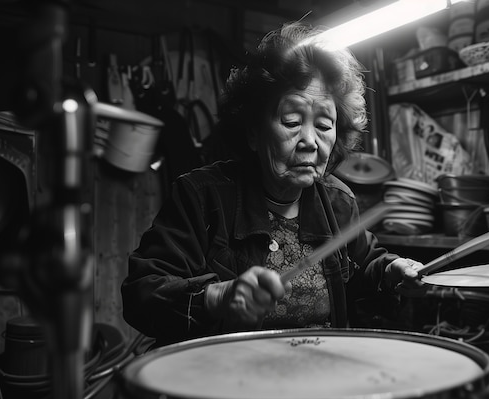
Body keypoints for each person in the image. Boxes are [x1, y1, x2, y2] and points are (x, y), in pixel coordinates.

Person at [121, 22, 424, 348]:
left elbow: (364, 265)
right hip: (227, 381)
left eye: (324, 125)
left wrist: (390, 271)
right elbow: (142, 294)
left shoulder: (338, 202)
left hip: (315, 378)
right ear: (253, 131)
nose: (310, 141)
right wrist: (218, 296)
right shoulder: (201, 196)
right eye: (292, 122)